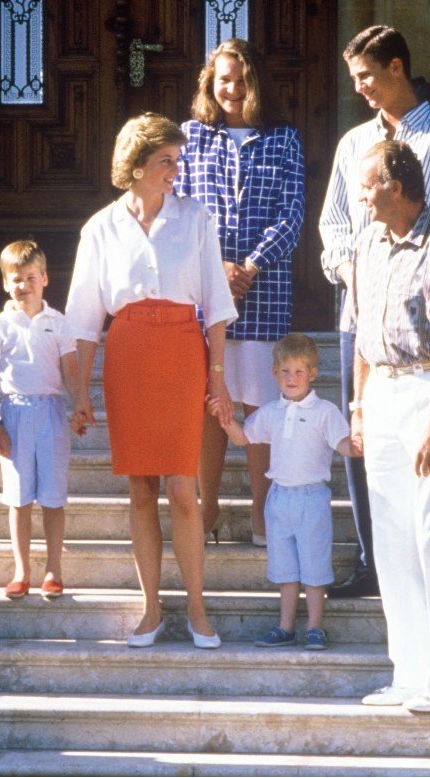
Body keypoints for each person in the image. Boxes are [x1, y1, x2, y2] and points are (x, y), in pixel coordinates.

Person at [66, 112, 237, 650]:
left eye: (177, 159)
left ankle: (197, 608)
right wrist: (79, 393)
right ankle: (150, 609)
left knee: (183, 488)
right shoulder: (100, 227)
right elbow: (84, 319)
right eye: (166, 161)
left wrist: (218, 379)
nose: (176, 170)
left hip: (184, 353)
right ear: (136, 165)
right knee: (140, 487)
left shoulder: (196, 218)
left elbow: (216, 308)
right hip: (130, 354)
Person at [318, 24, 430, 599]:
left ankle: (419, 559)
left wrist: (404, 269)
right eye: (353, 78)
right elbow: (333, 223)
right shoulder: (351, 144)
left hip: (422, 310)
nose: (359, 88)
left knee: (419, 438)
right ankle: (372, 559)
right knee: (364, 431)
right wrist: (349, 269)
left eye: (366, 76)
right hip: (360, 305)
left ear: (397, 68)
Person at [346, 140, 430, 714]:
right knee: (394, 540)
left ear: (396, 187)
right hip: (381, 394)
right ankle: (409, 673)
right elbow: (356, 334)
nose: (362, 195)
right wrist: (358, 406)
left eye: (368, 184)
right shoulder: (365, 248)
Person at [177, 38, 305, 548]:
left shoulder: (284, 139)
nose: (232, 88)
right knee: (212, 403)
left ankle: (260, 513)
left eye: (241, 78)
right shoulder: (191, 138)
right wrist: (217, 267)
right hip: (206, 294)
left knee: (259, 406)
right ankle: (206, 513)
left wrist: (249, 266)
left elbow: (292, 215)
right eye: (223, 79)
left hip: (264, 291)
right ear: (211, 82)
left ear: (256, 83)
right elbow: (181, 210)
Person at [213, 333, 354, 651]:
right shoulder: (269, 412)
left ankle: (315, 626)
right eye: (285, 372)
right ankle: (286, 626)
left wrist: (358, 443)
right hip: (278, 500)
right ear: (275, 373)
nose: (292, 378)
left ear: (313, 373)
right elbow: (243, 438)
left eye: (299, 372)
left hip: (311, 499)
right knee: (286, 569)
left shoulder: (324, 412)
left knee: (315, 567)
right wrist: (225, 419)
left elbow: (342, 443)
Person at [0, 240, 81, 600]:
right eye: (16, 279)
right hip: (14, 414)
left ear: (45, 279)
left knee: (52, 496)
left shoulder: (59, 322)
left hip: (51, 412)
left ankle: (54, 568)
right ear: (6, 283)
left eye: (30, 277)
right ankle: (21, 569)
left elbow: (70, 370)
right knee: (19, 497)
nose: (24, 285)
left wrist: (80, 405)